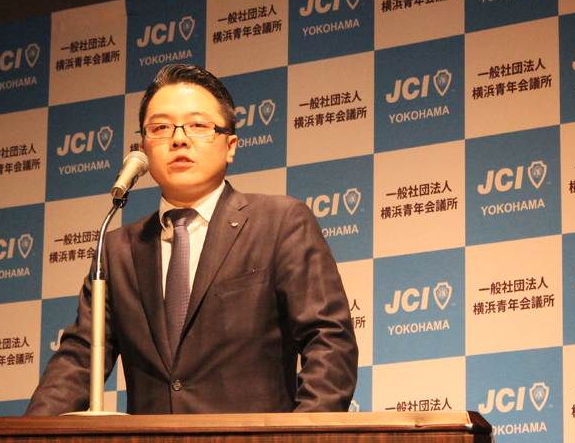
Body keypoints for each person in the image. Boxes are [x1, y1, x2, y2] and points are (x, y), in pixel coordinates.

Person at [26, 64, 357, 415]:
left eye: (198, 126)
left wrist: (303, 435)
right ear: (143, 148)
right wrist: (28, 436)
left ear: (230, 146)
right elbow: (79, 358)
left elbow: (329, 340)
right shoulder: (118, 250)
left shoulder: (279, 223)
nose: (179, 139)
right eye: (161, 128)